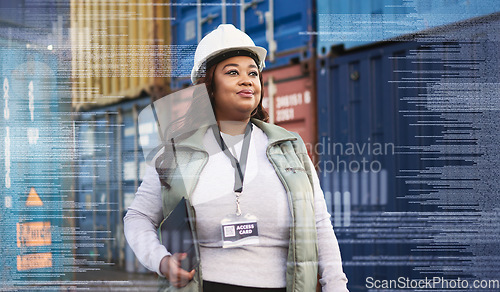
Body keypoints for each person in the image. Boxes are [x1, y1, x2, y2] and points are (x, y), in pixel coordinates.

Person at [124, 24, 349, 292]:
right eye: (232, 72)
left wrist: (337, 286)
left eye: (253, 73)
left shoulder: (290, 147)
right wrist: (161, 260)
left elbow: (320, 223)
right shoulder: (175, 153)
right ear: (209, 87)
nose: (247, 80)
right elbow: (138, 217)